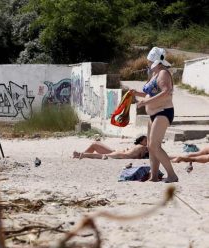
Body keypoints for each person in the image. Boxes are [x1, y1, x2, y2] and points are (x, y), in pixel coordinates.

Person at [129, 47, 178, 183]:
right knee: (151, 146)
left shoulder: (163, 73)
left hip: (163, 112)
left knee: (155, 146)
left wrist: (145, 102)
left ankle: (172, 175)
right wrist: (136, 94)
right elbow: (151, 93)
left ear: (156, 61)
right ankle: (154, 176)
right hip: (154, 114)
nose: (148, 63)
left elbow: (166, 92)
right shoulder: (155, 74)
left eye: (150, 61)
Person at [73, 135, 148, 159]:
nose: (147, 142)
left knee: (96, 145)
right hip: (119, 153)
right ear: (141, 142)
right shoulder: (143, 147)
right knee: (97, 147)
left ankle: (80, 154)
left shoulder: (137, 146)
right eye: (145, 141)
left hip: (118, 152)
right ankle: (83, 154)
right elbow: (140, 157)